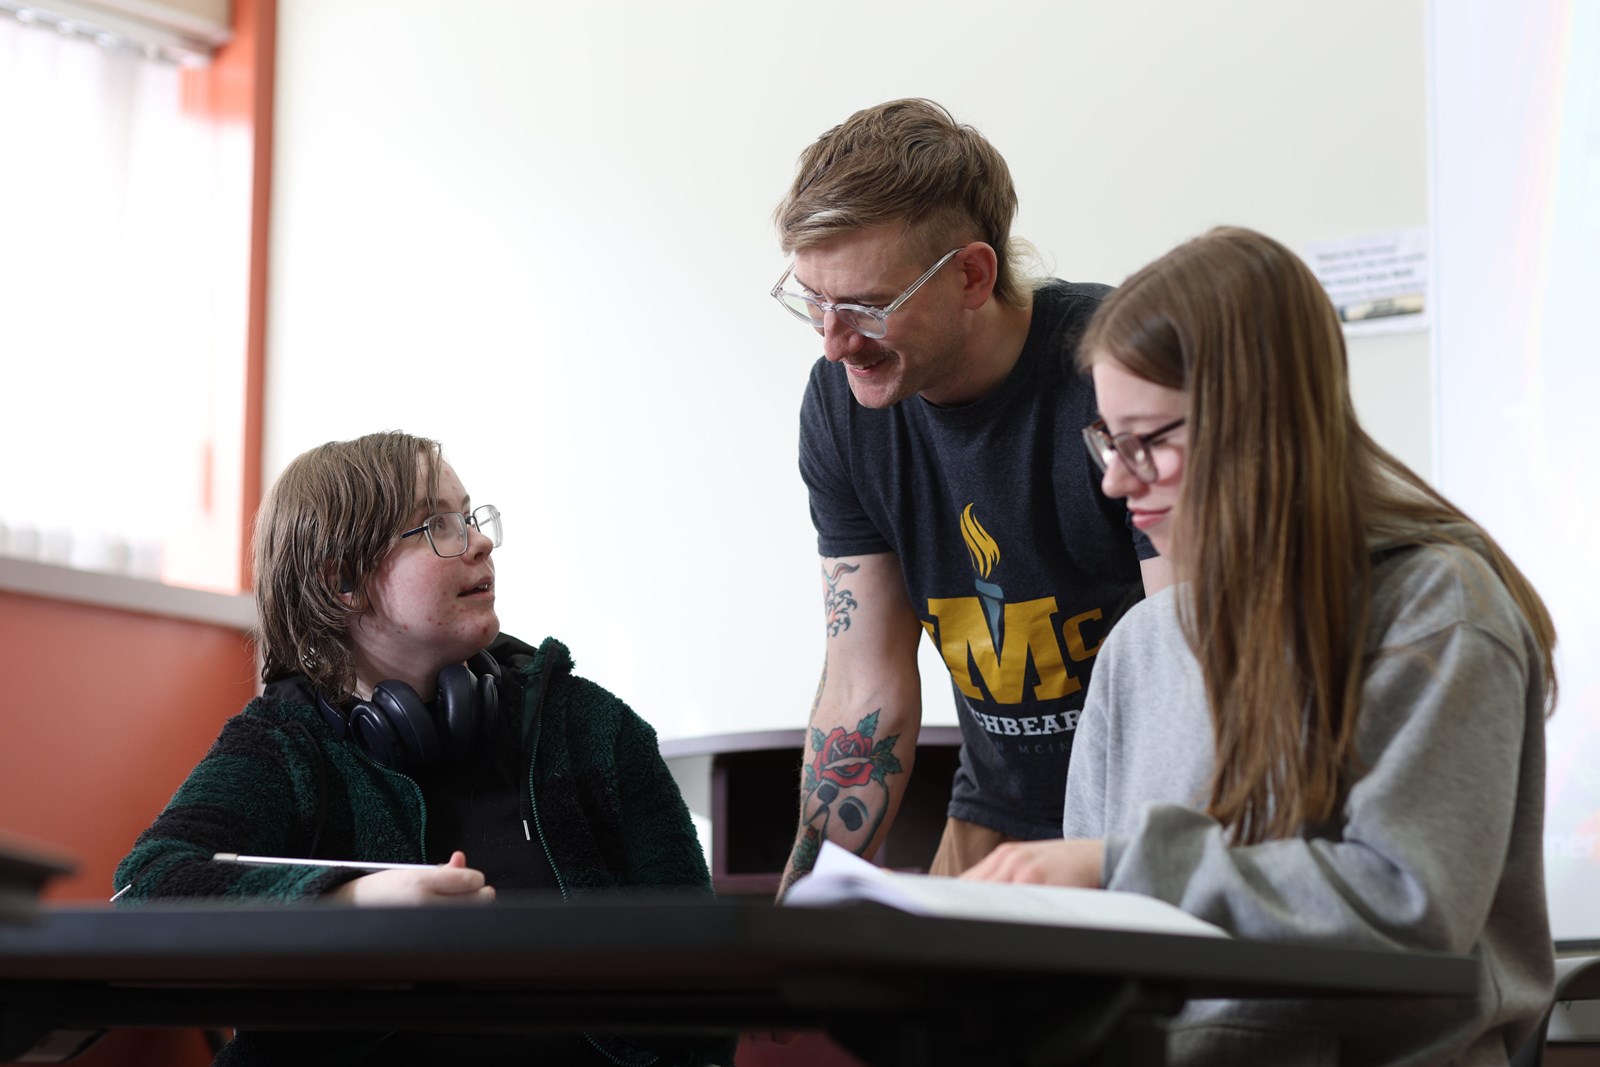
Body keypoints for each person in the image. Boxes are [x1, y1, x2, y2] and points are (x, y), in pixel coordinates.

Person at [964, 226, 1557, 1064]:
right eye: (1106, 440)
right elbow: (1101, 960)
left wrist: (1122, 868)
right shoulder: (1138, 649)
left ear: (1257, 425)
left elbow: (1409, 907)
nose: (1115, 479)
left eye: (1147, 441)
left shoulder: (1436, 609)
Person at [115, 431, 729, 1067]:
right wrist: (351, 906)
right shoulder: (282, 743)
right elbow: (145, 888)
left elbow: (699, 970)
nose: (480, 542)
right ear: (343, 581)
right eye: (436, 525)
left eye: (469, 517)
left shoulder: (593, 727)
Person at [770, 98, 1167, 892]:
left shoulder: (1117, 372)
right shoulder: (842, 408)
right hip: (996, 818)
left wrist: (1124, 861)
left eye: (867, 307)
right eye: (813, 300)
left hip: (1146, 817)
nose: (835, 342)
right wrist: (797, 908)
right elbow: (862, 690)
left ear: (971, 275)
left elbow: (1184, 667)